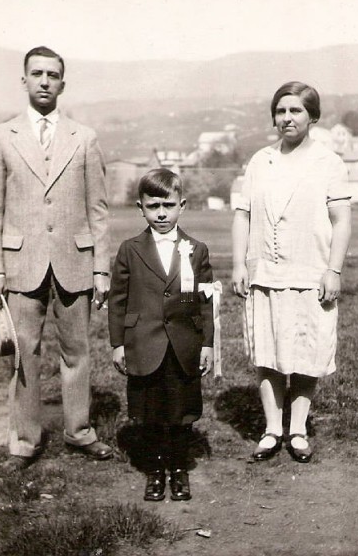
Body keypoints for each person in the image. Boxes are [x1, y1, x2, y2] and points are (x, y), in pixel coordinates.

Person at [0, 46, 113, 469]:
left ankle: (79, 432)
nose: (44, 81)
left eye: (52, 74)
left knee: (77, 351)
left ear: (63, 82)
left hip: (75, 262)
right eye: (36, 73)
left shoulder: (84, 137)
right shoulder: (0, 137)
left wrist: (100, 267)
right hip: (21, 264)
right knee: (25, 352)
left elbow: (98, 210)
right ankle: (24, 440)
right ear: (23, 80)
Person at [232, 81, 351, 463]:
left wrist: (333, 270)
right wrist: (239, 264)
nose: (287, 118)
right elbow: (242, 215)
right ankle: (271, 429)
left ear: (312, 116)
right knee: (267, 353)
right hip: (265, 271)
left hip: (311, 271)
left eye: (296, 110)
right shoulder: (260, 161)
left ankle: (297, 429)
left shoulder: (328, 163)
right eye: (281, 111)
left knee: (305, 354)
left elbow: (341, 219)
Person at [108, 168, 214, 502]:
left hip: (184, 345)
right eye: (153, 206)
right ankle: (155, 472)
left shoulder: (196, 249)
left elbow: (204, 301)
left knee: (182, 411)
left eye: (168, 204)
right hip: (144, 343)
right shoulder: (130, 249)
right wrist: (117, 344)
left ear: (182, 205)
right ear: (141, 208)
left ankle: (179, 469)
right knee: (149, 411)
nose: (162, 213)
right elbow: (118, 301)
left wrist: (207, 343)